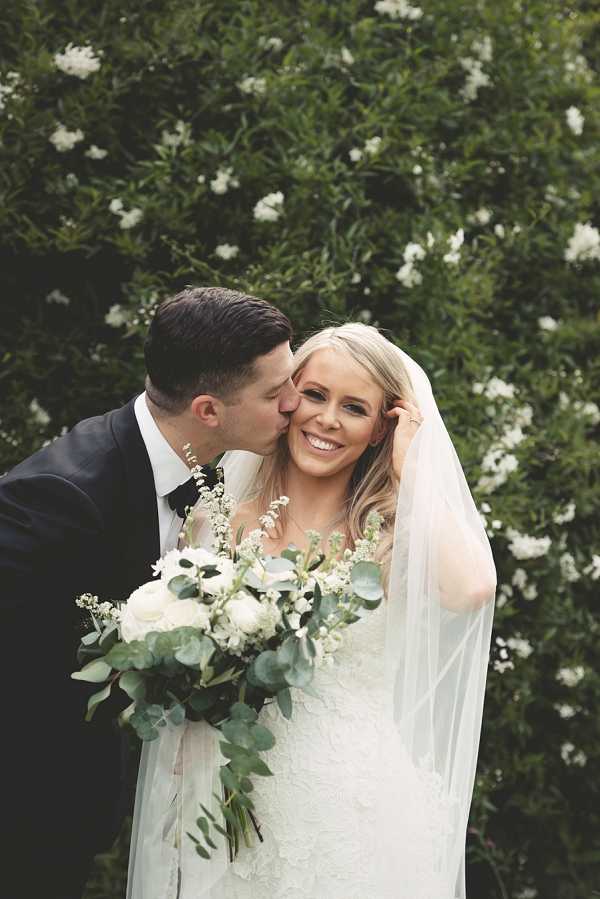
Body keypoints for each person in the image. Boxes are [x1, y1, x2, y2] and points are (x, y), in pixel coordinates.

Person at [129, 322, 497, 899]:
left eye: (355, 407)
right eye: (316, 395)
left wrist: (414, 466)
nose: (327, 419)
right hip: (223, 806)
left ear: (382, 428)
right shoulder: (216, 521)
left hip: (348, 811)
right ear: (287, 398)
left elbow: (473, 589)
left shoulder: (389, 537)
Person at [0, 286, 299, 899]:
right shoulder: (60, 496)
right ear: (209, 409)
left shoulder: (208, 468)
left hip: (75, 812)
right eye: (275, 393)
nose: (294, 404)